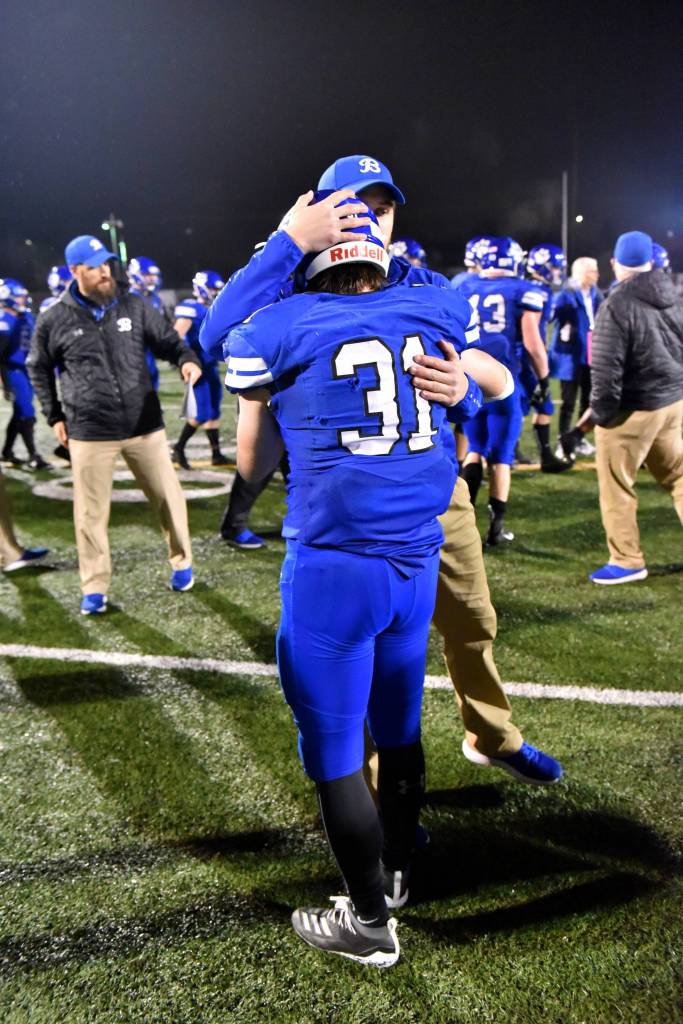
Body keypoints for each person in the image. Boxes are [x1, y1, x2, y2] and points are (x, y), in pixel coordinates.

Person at [200, 155, 563, 788]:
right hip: (342, 498)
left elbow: (498, 376)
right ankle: (372, 792)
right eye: (353, 204)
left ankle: (492, 734)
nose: (372, 217)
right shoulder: (286, 286)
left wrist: (465, 385)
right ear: (318, 211)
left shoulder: (423, 282)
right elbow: (216, 344)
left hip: (432, 485)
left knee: (472, 619)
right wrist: (286, 245)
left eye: (384, 206)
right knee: (357, 652)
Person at [226, 194, 490, 967]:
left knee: (336, 750)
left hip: (335, 572)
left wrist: (280, 248)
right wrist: (463, 393)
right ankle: (400, 869)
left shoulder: (283, 325)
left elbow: (231, 374)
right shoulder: (430, 309)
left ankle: (370, 925)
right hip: (414, 564)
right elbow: (487, 382)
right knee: (399, 731)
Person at [28, 234, 202, 613]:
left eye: (106, 264)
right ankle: (94, 586)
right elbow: (38, 367)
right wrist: (54, 415)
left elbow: (170, 342)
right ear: (75, 272)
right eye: (94, 267)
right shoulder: (53, 318)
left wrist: (186, 358)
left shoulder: (133, 305)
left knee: (169, 500)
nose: (105, 272)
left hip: (144, 424)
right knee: (90, 514)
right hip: (90, 430)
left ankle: (183, 562)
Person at [563, 231, 683, 584]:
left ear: (615, 263)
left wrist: (596, 417)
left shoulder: (617, 303)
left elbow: (605, 370)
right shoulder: (673, 291)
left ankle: (627, 560)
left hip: (632, 410)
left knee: (617, 487)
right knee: (679, 477)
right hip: (672, 402)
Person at [456, 236, 567, 544]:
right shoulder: (525, 290)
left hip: (470, 379)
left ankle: (464, 524)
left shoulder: (463, 286)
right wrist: (543, 380)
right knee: (502, 456)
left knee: (474, 449)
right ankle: (495, 530)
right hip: (505, 382)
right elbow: (532, 342)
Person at [171, 270, 229, 469]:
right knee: (201, 413)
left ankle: (216, 454)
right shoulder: (190, 308)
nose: (215, 292)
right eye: (212, 288)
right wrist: (183, 360)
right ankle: (178, 449)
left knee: (214, 411)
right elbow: (176, 336)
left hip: (210, 366)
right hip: (196, 366)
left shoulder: (212, 308)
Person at [522, 244, 573, 471]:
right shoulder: (536, 291)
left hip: (525, 356)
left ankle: (544, 454)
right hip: (527, 357)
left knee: (542, 405)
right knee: (537, 404)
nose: (557, 272)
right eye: (553, 267)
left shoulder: (533, 287)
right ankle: (541, 455)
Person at [550, 256, 603, 453]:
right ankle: (562, 442)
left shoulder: (596, 293)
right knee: (568, 402)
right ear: (582, 273)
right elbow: (550, 316)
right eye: (593, 271)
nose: (597, 275)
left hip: (591, 351)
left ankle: (578, 438)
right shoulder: (566, 294)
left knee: (589, 399)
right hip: (570, 355)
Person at [0, 278, 50, 468]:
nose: (22, 300)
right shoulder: (4, 319)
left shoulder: (26, 317)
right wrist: (6, 381)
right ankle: (33, 455)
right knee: (27, 413)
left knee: (19, 412)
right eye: (19, 297)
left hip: (27, 370)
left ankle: (6, 452)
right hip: (13, 371)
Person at [127, 256, 166, 391]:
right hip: (133, 352)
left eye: (152, 275)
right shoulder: (128, 298)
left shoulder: (154, 298)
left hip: (149, 350)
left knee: (152, 387)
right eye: (146, 274)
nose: (151, 278)